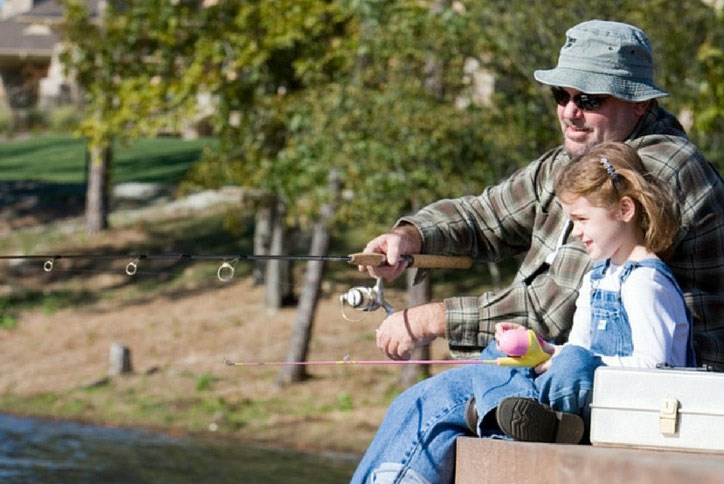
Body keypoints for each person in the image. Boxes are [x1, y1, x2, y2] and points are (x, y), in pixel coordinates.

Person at [351, 19, 724, 484]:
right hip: (578, 376)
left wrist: (429, 320)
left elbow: (548, 309)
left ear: (639, 101)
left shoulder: (649, 170)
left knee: (432, 403)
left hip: (661, 403)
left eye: (589, 100)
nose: (570, 112)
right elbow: (487, 215)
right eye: (561, 96)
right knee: (462, 393)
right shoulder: (581, 162)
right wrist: (413, 236)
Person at [472, 141, 696, 445]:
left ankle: (523, 417)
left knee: (574, 362)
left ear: (625, 209)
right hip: (590, 399)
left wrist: (568, 360)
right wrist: (542, 350)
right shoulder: (596, 278)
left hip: (633, 410)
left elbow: (654, 369)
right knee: (499, 352)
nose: (575, 232)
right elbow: (579, 346)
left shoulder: (646, 281)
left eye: (582, 219)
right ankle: (509, 415)